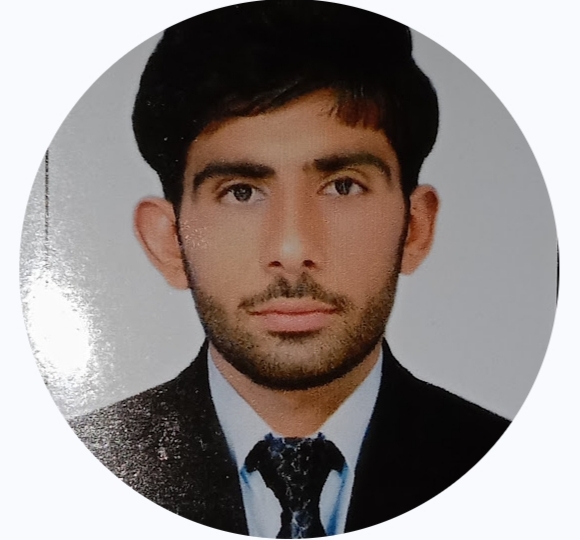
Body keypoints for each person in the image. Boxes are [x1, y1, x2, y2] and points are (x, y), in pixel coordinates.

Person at [70, 1, 510, 537]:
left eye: (342, 186)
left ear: (414, 228)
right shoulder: (70, 473)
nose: (294, 248)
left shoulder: (511, 464)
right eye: (241, 192)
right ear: (169, 242)